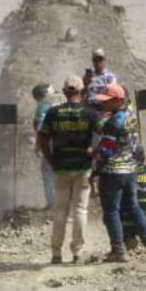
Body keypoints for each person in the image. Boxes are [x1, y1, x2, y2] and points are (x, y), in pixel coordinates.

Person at [91, 83, 146, 263]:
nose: (104, 104)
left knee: (111, 211)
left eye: (108, 101)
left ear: (118, 101)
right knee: (133, 206)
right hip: (131, 171)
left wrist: (95, 171)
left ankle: (118, 250)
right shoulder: (130, 116)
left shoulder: (113, 123)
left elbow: (106, 150)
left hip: (113, 172)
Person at [37, 75, 98, 265]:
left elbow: (42, 139)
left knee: (60, 210)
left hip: (61, 167)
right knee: (80, 210)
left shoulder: (53, 113)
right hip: (83, 168)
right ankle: (77, 252)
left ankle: (56, 253)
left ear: (64, 92)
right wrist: (93, 154)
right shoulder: (91, 114)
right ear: (82, 91)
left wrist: (50, 160)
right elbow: (102, 137)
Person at [32, 82, 62, 209]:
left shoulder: (43, 106)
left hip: (52, 142)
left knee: (47, 171)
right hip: (72, 140)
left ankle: (53, 202)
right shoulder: (64, 98)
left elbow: (41, 129)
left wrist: (38, 146)